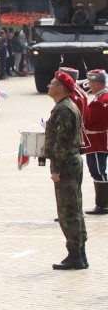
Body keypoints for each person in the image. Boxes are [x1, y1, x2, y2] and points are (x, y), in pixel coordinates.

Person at [46, 70, 89, 270]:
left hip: (66, 163)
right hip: (72, 161)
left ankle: (75, 256)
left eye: (52, 83)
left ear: (60, 88)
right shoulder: (66, 106)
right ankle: (80, 253)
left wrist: (56, 169)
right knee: (75, 208)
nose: (49, 86)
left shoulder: (64, 109)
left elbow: (61, 142)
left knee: (68, 210)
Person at [83, 69, 108, 216]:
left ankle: (103, 204)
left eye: (91, 82)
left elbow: (89, 121)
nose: (90, 85)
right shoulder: (101, 98)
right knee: (97, 171)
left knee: (98, 171)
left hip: (97, 141)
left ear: (98, 83)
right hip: (96, 141)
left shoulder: (101, 101)